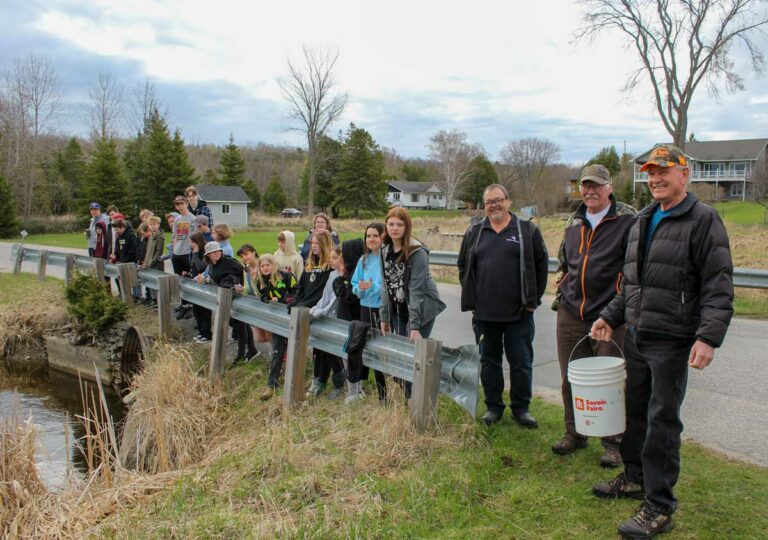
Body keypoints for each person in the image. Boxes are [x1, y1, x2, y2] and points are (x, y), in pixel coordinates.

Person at [590, 145, 734, 539]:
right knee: (635, 412)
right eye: (650, 172)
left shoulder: (703, 220)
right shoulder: (643, 219)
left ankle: (660, 506)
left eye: (663, 171)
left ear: (684, 175)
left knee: (662, 422)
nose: (655, 178)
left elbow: (718, 284)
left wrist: (708, 337)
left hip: (673, 338)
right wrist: (610, 316)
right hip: (637, 335)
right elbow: (632, 283)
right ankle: (634, 478)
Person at [551, 164, 637, 468]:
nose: (591, 191)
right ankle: (575, 433)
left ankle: (614, 444)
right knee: (571, 377)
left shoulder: (627, 220)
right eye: (586, 186)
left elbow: (633, 269)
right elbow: (565, 261)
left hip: (611, 314)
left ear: (609, 188)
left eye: (597, 186)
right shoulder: (574, 221)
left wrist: (617, 310)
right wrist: (563, 289)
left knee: (612, 382)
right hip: (571, 312)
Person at [457, 184, 548, 428]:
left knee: (521, 363)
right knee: (489, 362)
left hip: (519, 313)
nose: (494, 205)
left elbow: (541, 266)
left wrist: (534, 300)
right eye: (489, 202)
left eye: (498, 200)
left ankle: (521, 408)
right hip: (484, 314)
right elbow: (463, 266)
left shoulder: (526, 230)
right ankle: (493, 407)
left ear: (508, 201)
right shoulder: (475, 232)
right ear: (484, 205)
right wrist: (472, 296)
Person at [380, 207, 446, 401]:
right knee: (401, 359)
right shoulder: (384, 250)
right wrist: (384, 317)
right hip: (398, 309)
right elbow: (385, 285)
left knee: (414, 357)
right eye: (391, 224)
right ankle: (410, 400)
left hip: (421, 309)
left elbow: (416, 290)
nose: (395, 228)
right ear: (386, 225)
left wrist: (415, 327)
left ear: (406, 227)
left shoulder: (417, 252)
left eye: (399, 224)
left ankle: (420, 403)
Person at [196, 241, 256, 365]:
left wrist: (240, 286)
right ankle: (251, 350)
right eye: (213, 252)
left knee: (240, 325)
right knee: (241, 325)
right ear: (208, 255)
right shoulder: (212, 266)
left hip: (237, 295)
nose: (216, 253)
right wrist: (206, 280)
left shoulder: (228, 261)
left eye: (218, 251)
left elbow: (243, 270)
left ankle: (241, 356)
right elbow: (217, 281)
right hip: (227, 297)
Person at [292, 229, 336, 397]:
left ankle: (325, 380)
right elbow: (301, 287)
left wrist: (306, 305)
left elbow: (321, 293)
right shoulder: (309, 264)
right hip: (306, 310)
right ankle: (317, 379)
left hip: (321, 311)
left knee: (325, 349)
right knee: (316, 348)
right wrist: (296, 303)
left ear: (324, 244)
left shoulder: (329, 266)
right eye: (312, 243)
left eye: (317, 243)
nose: (314, 246)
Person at [351, 223, 387, 401]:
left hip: (382, 309)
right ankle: (370, 388)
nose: (371, 239)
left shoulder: (386, 259)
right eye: (368, 236)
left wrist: (373, 287)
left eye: (375, 236)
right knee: (368, 347)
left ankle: (384, 393)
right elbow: (354, 284)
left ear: (383, 237)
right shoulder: (363, 260)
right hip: (365, 307)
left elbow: (388, 286)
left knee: (381, 349)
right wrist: (360, 288)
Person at [256, 254, 298, 400]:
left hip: (292, 315)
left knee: (295, 348)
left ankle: (296, 382)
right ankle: (272, 384)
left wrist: (284, 300)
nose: (265, 268)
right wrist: (266, 299)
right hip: (278, 320)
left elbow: (298, 290)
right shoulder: (261, 282)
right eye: (262, 266)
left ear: (273, 265)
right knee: (277, 350)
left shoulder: (286, 275)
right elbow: (264, 296)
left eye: (268, 265)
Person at [308, 246, 348, 399]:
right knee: (322, 348)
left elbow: (334, 301)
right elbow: (325, 297)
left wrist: (320, 313)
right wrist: (314, 310)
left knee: (332, 350)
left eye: (334, 258)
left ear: (342, 259)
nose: (331, 260)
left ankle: (340, 382)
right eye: (330, 258)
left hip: (336, 318)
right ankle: (323, 380)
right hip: (325, 316)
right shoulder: (332, 274)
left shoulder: (344, 275)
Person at [188, 232, 212, 343]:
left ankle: (206, 334)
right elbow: (192, 265)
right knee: (196, 309)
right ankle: (201, 332)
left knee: (204, 310)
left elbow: (200, 267)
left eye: (192, 242)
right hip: (194, 282)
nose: (191, 244)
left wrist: (196, 253)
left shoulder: (204, 253)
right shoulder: (194, 252)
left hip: (203, 284)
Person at [142, 216, 166, 307]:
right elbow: (148, 250)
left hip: (156, 265)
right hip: (149, 264)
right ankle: (155, 300)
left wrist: (152, 263)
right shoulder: (150, 237)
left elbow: (158, 252)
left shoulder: (160, 237)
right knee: (151, 283)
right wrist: (146, 262)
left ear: (158, 225)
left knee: (157, 284)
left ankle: (160, 301)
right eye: (151, 224)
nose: (152, 226)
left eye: (154, 224)